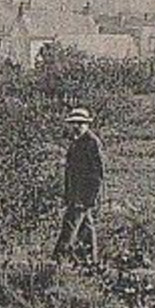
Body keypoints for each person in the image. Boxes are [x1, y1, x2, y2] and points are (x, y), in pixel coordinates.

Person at [52, 107, 105, 265]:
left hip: (84, 194)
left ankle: (58, 259)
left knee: (70, 224)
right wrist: (68, 194)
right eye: (74, 123)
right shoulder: (75, 142)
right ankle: (88, 259)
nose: (76, 126)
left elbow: (98, 173)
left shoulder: (92, 142)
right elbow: (70, 172)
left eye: (80, 123)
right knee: (85, 227)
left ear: (87, 125)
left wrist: (91, 197)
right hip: (74, 193)